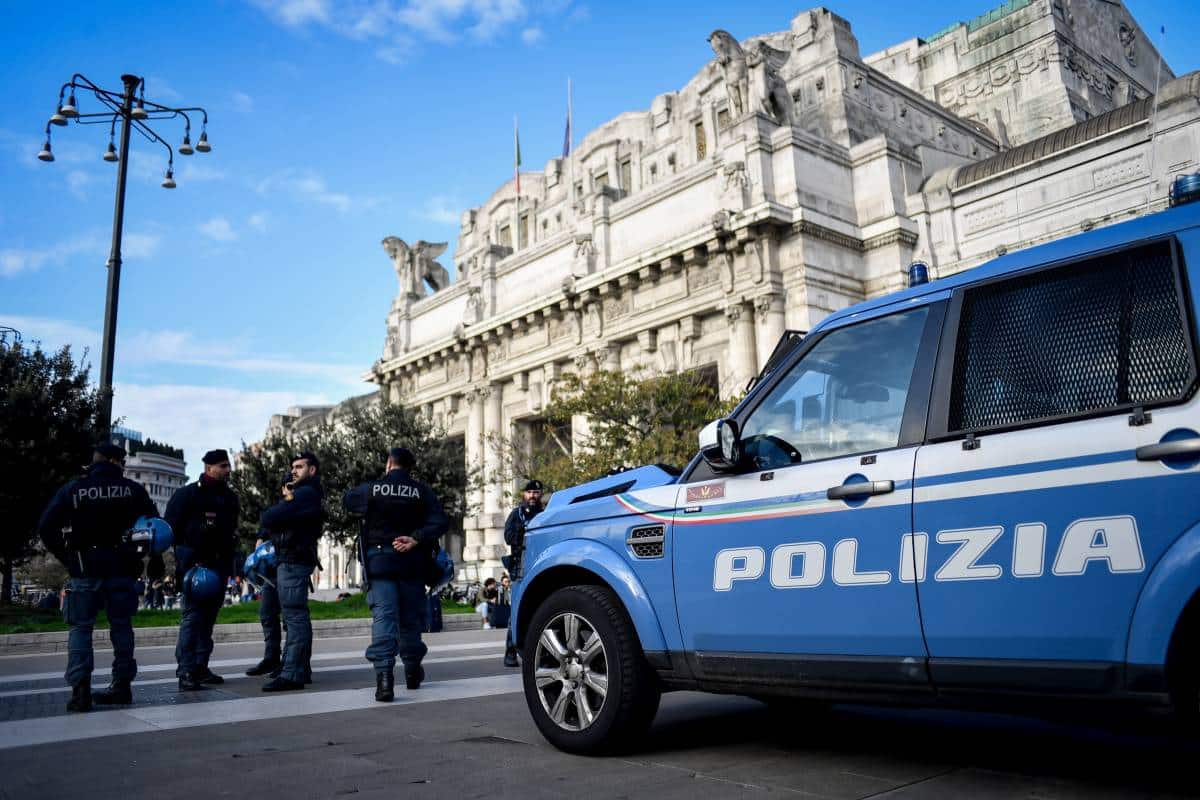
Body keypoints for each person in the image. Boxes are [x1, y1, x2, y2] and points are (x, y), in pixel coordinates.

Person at [37, 443, 159, 712]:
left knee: (81, 629)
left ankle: (81, 692)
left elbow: (46, 526)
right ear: (116, 462)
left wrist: (68, 557)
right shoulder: (134, 490)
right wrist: (140, 556)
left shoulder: (74, 489)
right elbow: (155, 529)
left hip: (85, 567)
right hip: (122, 569)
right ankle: (122, 686)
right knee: (122, 627)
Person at [343, 446, 448, 701]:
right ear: (410, 467)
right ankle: (412, 672)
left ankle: (385, 680)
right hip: (412, 564)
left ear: (389, 463)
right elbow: (440, 521)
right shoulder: (421, 491)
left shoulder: (373, 488)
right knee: (411, 621)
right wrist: (415, 538)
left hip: (380, 564)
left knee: (385, 619)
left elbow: (348, 501)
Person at [167, 448, 240, 691]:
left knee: (208, 620)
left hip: (219, 567)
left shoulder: (230, 498)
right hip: (194, 567)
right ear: (209, 468)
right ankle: (186, 669)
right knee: (192, 618)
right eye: (222, 466)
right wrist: (185, 559)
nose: (228, 470)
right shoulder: (187, 495)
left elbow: (231, 533)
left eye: (228, 465)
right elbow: (171, 531)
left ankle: (200, 666)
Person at [258, 452, 324, 692]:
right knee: (294, 616)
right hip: (293, 558)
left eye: (299, 467)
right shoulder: (305, 494)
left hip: (294, 560)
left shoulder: (306, 494)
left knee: (295, 617)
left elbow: (269, 516)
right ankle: (298, 668)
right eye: (293, 467)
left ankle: (293, 672)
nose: (294, 471)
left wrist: (287, 501)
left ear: (312, 470)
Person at [501, 479, 543, 666]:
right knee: (516, 610)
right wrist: (525, 530)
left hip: (539, 565)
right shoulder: (516, 514)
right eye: (529, 493)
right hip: (520, 567)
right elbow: (509, 538)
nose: (532, 496)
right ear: (524, 495)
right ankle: (510, 651)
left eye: (536, 492)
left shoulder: (544, 514)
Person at [244, 529, 282, 678]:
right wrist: (261, 536)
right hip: (270, 563)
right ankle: (271, 659)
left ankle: (294, 662)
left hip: (290, 559)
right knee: (267, 614)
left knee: (291, 617)